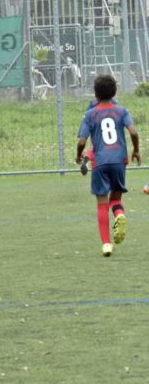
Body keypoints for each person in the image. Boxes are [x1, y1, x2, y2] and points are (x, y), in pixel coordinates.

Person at [76, 75, 140, 257]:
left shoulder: (90, 114)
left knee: (101, 204)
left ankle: (106, 244)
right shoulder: (122, 111)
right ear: (115, 92)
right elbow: (133, 132)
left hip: (100, 161)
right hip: (119, 160)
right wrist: (136, 150)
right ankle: (119, 214)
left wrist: (79, 155)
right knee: (116, 198)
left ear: (95, 94)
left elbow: (82, 141)